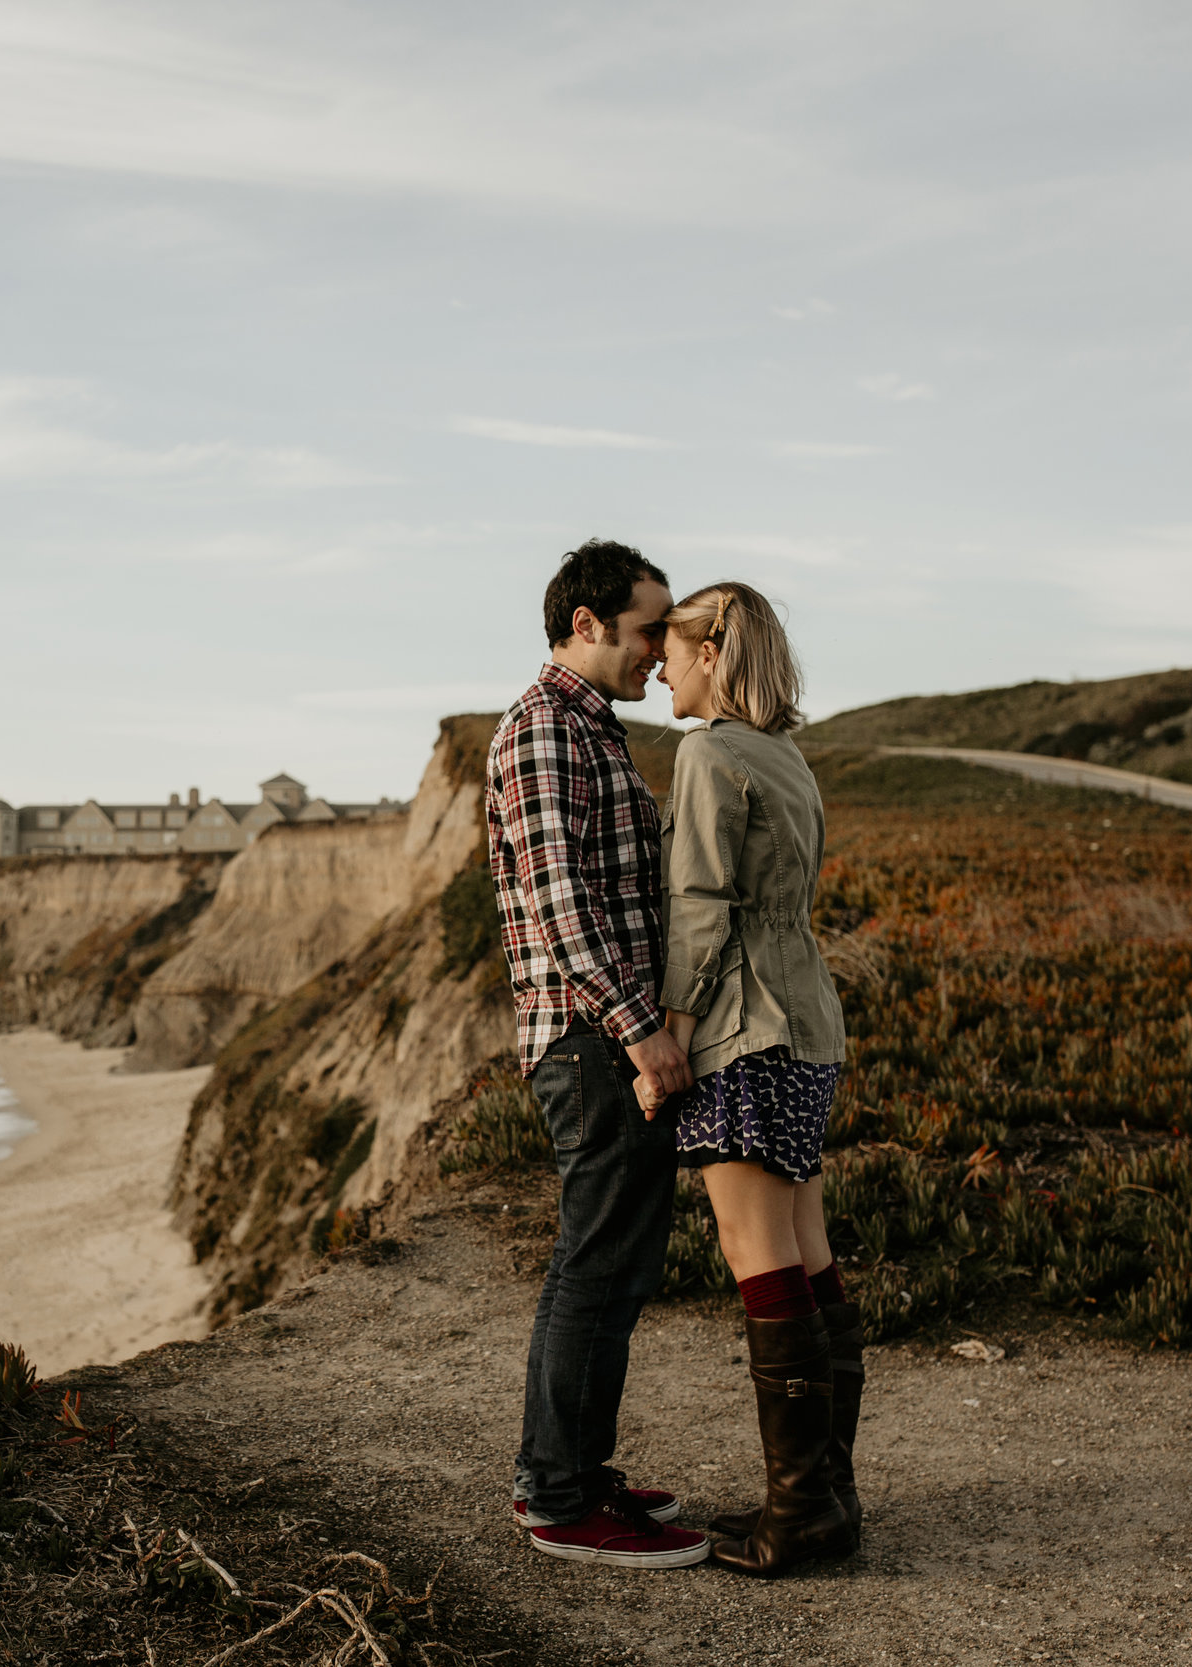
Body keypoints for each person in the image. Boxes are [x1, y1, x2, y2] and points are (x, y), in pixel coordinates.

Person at [486, 540, 709, 1569]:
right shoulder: (542, 731)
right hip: (588, 1042)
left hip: (600, 1036)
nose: (659, 647)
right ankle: (556, 1493)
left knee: (612, 1267)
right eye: (647, 626)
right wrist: (641, 1033)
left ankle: (573, 1467)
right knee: (593, 1264)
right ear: (587, 623)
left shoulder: (593, 733)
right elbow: (561, 908)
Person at [644, 580, 859, 1577]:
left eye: (674, 648)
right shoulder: (788, 756)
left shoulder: (710, 750)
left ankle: (802, 1510)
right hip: (807, 1017)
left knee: (755, 1247)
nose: (660, 665)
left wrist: (672, 1031)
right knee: (806, 1247)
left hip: (744, 1019)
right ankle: (820, 1492)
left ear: (714, 653)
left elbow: (696, 899)